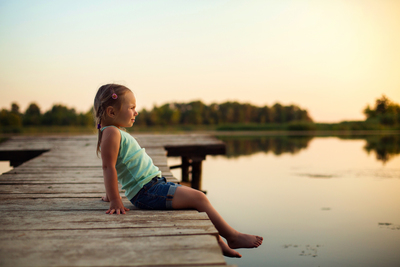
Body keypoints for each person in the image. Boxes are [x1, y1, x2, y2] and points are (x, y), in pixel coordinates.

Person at [93, 84, 263, 258]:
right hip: (147, 191)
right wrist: (114, 200)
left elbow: (114, 166)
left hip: (153, 186)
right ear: (111, 112)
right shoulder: (112, 132)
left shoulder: (115, 131)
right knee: (199, 198)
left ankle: (217, 240)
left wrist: (109, 195)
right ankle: (232, 236)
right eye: (132, 108)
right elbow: (108, 167)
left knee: (193, 202)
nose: (136, 112)